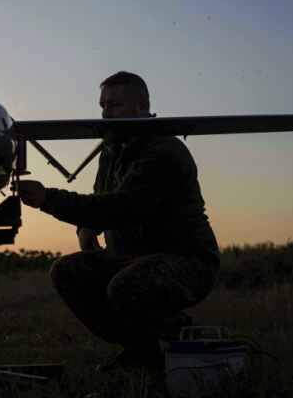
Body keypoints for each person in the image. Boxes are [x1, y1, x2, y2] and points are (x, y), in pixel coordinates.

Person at [14, 72, 219, 372]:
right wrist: (86, 229)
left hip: (188, 262)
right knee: (68, 272)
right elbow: (101, 199)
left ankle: (181, 338)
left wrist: (48, 198)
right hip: (131, 259)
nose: (105, 113)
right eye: (103, 105)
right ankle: (144, 349)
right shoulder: (113, 151)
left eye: (115, 105)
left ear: (141, 107)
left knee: (127, 286)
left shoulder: (164, 151)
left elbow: (120, 208)